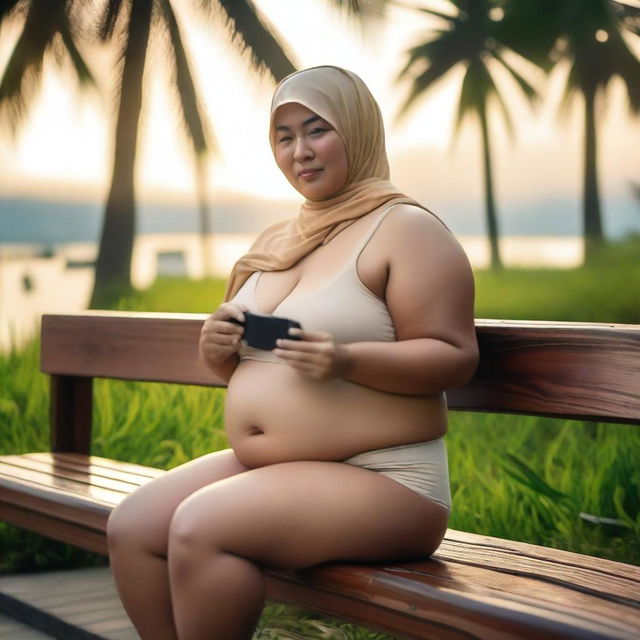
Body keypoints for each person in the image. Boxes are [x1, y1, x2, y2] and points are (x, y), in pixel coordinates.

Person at [107, 65, 479, 640]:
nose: (300, 151)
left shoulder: (406, 229)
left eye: (317, 130)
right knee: (132, 525)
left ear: (357, 131)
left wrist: (347, 360)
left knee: (201, 528)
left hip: (386, 479)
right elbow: (249, 366)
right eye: (284, 137)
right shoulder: (278, 240)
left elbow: (454, 356)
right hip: (282, 468)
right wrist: (218, 349)